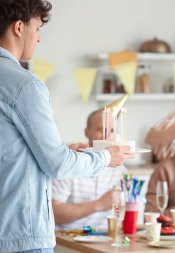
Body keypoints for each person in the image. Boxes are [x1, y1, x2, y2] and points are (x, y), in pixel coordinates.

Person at [0, 1, 133, 252]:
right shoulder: (25, 85)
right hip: (20, 236)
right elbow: (58, 165)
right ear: (19, 27)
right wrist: (106, 157)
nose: (38, 39)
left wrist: (65, 151)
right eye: (37, 29)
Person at [52, 109, 127, 230]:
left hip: (106, 239)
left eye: (112, 131)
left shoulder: (121, 171)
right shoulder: (71, 163)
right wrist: (99, 204)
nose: (107, 136)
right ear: (87, 132)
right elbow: (53, 214)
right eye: (100, 130)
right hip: (70, 241)